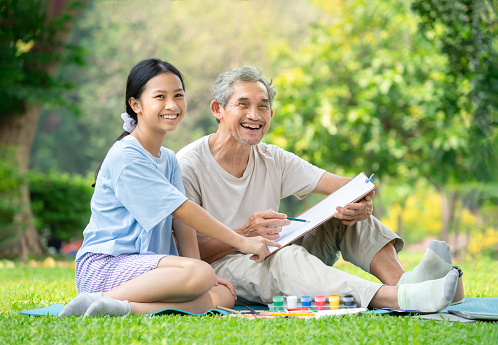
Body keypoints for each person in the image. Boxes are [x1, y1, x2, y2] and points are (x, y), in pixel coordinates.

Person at [176, 65, 459, 312]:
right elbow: (187, 255)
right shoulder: (187, 165)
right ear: (218, 110)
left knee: (343, 209)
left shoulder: (273, 157)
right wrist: (243, 234)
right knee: (284, 258)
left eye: (263, 106)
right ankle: (398, 298)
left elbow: (345, 185)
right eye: (243, 104)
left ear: (271, 113)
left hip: (274, 251)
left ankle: (407, 282)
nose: (255, 114)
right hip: (222, 266)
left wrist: (362, 198)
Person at [59, 59, 279, 318]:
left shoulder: (169, 159)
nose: (172, 105)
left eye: (178, 96)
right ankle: (97, 298)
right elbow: (184, 210)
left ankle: (121, 308)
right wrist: (241, 242)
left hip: (151, 271)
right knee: (202, 275)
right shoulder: (127, 155)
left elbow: (182, 225)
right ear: (135, 105)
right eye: (160, 97)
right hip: (106, 267)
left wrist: (200, 270)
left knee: (224, 295)